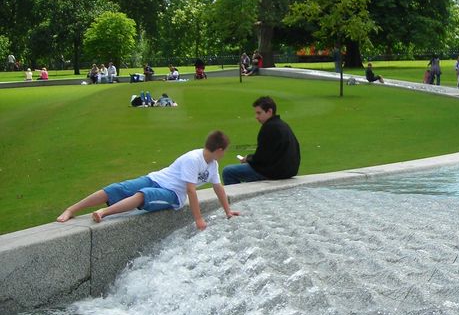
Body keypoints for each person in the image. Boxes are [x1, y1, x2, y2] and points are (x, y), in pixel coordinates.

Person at [56, 131, 238, 231]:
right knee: (118, 188)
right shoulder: (194, 159)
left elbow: (218, 188)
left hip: (174, 195)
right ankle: (72, 209)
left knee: (144, 195)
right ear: (219, 149)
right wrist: (198, 219)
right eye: (225, 151)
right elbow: (192, 190)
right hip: (157, 178)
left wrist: (228, 211)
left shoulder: (212, 165)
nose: (224, 154)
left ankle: (104, 212)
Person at [222, 96, 301, 185]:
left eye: (259, 113)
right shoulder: (283, 125)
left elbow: (260, 159)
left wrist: (247, 159)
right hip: (289, 170)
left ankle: (238, 198)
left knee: (228, 172)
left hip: (276, 172)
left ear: (269, 111)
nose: (256, 117)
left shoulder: (269, 128)